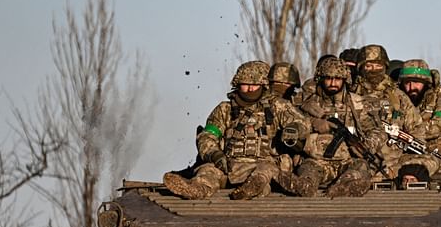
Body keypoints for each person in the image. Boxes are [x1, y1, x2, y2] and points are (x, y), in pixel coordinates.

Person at [163, 61, 310, 200]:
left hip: (263, 163)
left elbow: (301, 122)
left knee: (264, 173)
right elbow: (207, 135)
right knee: (207, 172)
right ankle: (195, 190)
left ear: (263, 85)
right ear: (237, 84)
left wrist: (294, 129)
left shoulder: (277, 106)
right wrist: (215, 155)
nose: (250, 89)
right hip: (228, 164)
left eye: (255, 85)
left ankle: (251, 190)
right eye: (245, 84)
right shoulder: (225, 109)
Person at [276, 56, 386, 198]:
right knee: (305, 184)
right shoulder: (306, 103)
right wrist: (312, 124)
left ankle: (344, 188)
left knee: (356, 176)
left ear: (345, 80)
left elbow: (378, 131)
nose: (333, 83)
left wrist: (366, 145)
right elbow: (292, 128)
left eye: (338, 79)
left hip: (349, 160)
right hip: (315, 161)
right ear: (321, 79)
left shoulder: (358, 104)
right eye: (328, 78)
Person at [352, 44, 426, 181]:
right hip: (358, 161)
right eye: (368, 66)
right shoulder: (350, 96)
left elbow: (417, 131)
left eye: (378, 65)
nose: (373, 70)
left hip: (395, 164)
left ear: (385, 66)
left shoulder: (397, 97)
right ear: (360, 68)